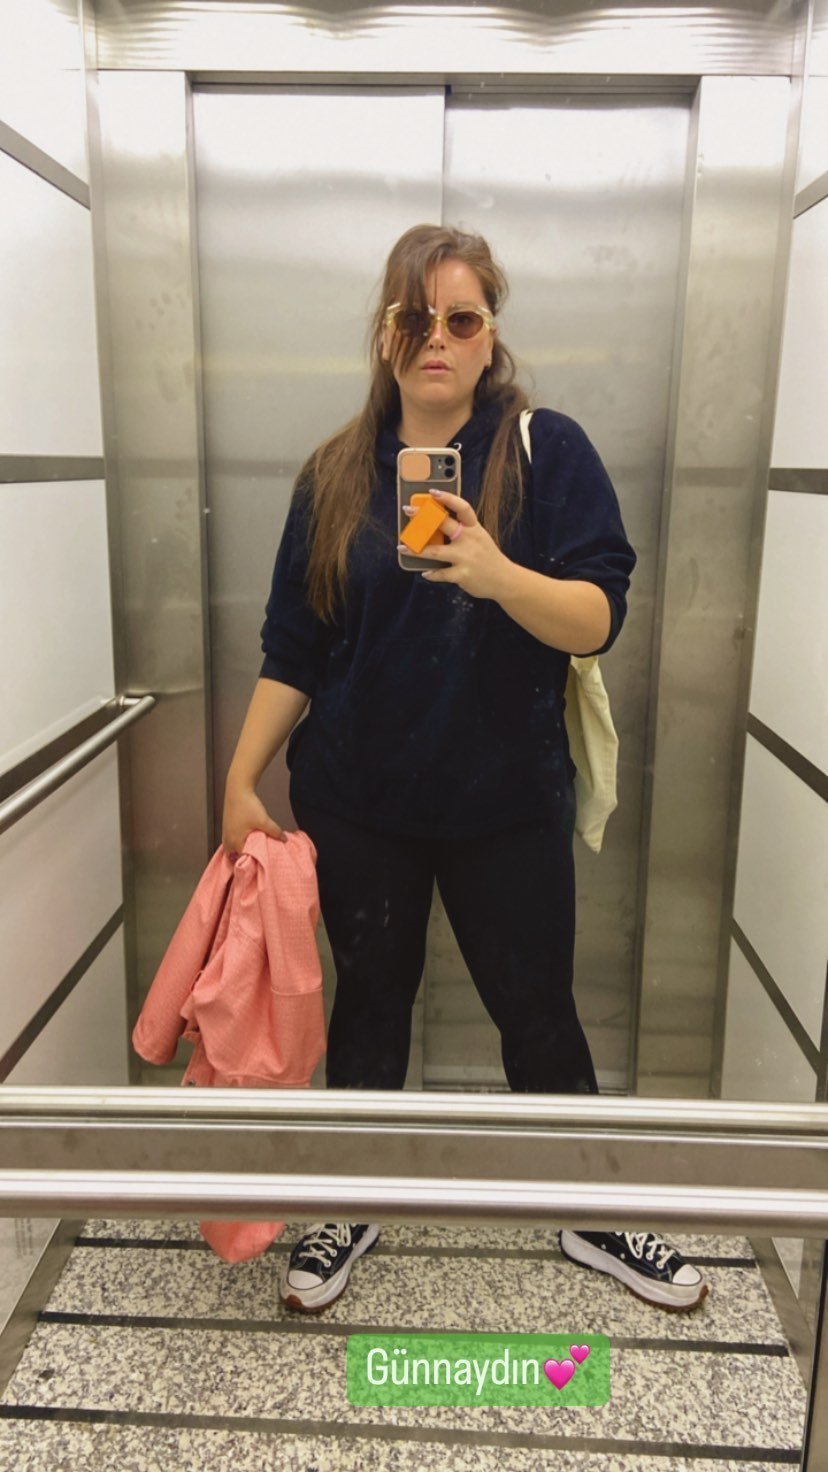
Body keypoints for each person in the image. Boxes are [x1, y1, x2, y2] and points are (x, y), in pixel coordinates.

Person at [221, 224, 708, 1316]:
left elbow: (599, 617)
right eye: (413, 317)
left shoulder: (546, 452)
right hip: (359, 799)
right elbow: (293, 649)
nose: (435, 337)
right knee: (369, 1003)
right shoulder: (333, 474)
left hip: (506, 800)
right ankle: (353, 1198)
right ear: (384, 335)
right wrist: (239, 780)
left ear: (490, 335)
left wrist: (495, 573)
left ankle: (590, 1205)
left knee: (537, 1007)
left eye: (460, 318)